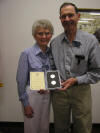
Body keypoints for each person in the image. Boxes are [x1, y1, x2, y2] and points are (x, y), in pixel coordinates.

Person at [50, 2, 100, 133]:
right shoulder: (54, 43)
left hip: (81, 91)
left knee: (83, 127)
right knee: (60, 128)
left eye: (70, 15)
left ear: (78, 16)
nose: (67, 19)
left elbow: (97, 71)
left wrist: (76, 80)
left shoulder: (91, 41)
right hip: (60, 92)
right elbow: (52, 68)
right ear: (60, 19)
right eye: (63, 16)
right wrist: (51, 84)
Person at [16, 19, 54, 133]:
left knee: (44, 127)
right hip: (32, 96)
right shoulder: (26, 53)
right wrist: (26, 104)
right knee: (31, 128)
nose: (44, 36)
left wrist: (49, 87)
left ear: (51, 35)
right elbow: (20, 81)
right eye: (40, 33)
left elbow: (53, 75)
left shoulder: (51, 53)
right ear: (34, 35)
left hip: (47, 94)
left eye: (47, 33)